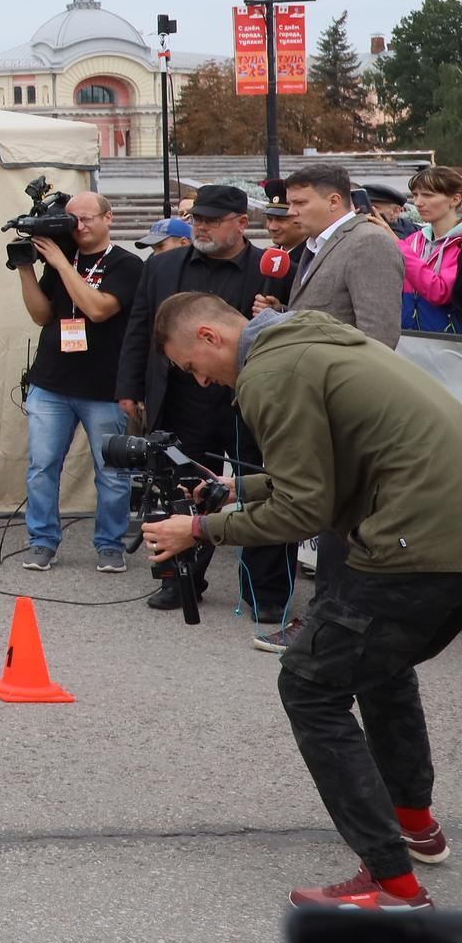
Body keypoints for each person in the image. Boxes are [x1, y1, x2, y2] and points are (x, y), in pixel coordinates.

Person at [144, 294, 462, 912]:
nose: (201, 381)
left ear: (208, 336)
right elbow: (331, 468)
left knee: (311, 686)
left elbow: (304, 510)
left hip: (414, 539)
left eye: (192, 366)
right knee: (380, 665)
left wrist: (200, 530)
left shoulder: (269, 373)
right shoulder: (310, 343)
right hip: (443, 527)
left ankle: (391, 883)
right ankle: (415, 826)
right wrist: (236, 487)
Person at [114, 184, 293, 634]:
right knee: (181, 490)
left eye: (213, 220)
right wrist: (130, 386)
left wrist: (277, 310)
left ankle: (266, 593)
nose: (202, 228)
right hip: (182, 398)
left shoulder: (271, 267)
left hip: (251, 398)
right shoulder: (163, 265)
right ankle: (182, 579)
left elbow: (297, 322)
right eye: (198, 220)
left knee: (259, 489)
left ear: (240, 222)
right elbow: (140, 327)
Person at [15, 191, 143, 574]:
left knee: (112, 471)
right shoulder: (59, 263)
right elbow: (42, 315)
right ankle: (42, 541)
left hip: (103, 386)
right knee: (42, 466)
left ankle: (109, 544)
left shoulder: (127, 264)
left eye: (88, 219)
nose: (81, 227)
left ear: (109, 218)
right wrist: (25, 269)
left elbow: (98, 309)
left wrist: (59, 261)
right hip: (52, 382)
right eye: (74, 220)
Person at [282, 162, 405, 349]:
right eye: (290, 203)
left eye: (300, 203)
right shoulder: (316, 244)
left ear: (334, 202)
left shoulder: (369, 242)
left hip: (341, 376)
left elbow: (380, 337)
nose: (291, 212)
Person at [401, 165, 462, 335]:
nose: (418, 203)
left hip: (450, 345)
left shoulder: (459, 244)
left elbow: (440, 292)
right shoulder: (413, 240)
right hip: (409, 342)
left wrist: (397, 246)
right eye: (415, 195)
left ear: (455, 199)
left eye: (428, 195)